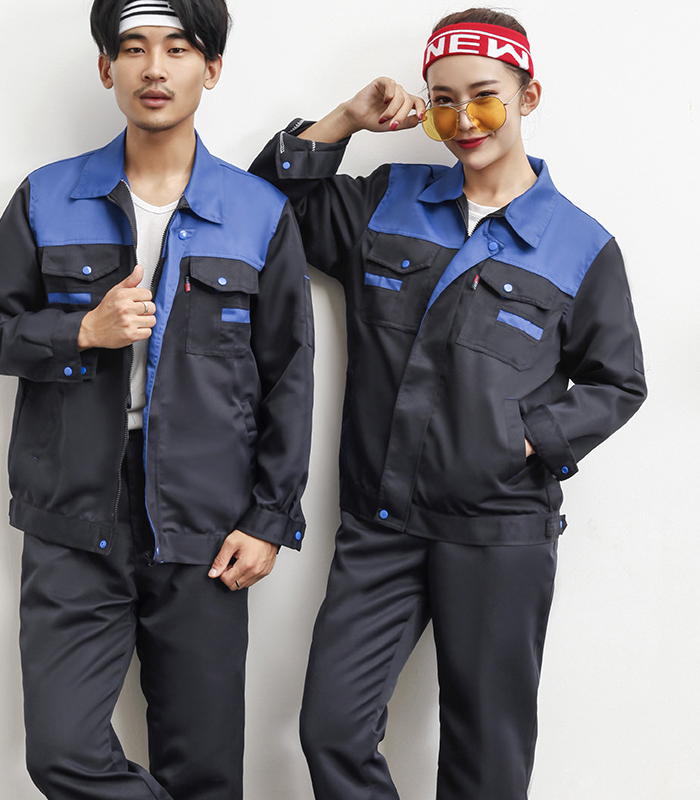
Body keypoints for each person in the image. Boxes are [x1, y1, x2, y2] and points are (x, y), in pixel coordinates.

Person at [250, 7, 646, 799]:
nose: (465, 121)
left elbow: (619, 382)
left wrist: (521, 441)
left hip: (499, 530)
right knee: (331, 730)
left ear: (529, 96)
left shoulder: (579, 245)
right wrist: (347, 118)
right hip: (380, 526)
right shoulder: (387, 200)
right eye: (442, 102)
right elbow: (266, 206)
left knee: (485, 752)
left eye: (486, 98)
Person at [0, 1, 314, 798]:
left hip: (207, 518)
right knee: (62, 753)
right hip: (72, 511)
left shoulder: (258, 213)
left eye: (179, 49)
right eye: (133, 49)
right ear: (106, 68)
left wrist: (269, 519)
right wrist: (82, 330)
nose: (155, 68)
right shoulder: (48, 196)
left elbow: (289, 377)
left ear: (210, 70)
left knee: (204, 769)